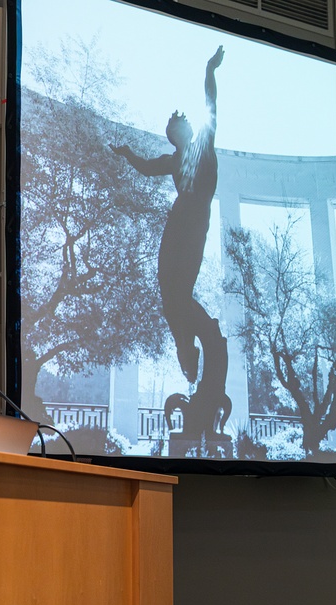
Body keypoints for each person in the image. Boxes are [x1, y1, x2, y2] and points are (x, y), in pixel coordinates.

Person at [110, 46, 224, 383]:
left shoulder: (204, 143)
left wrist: (209, 70)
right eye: (178, 122)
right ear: (174, 135)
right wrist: (127, 152)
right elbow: (146, 168)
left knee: (181, 290)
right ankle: (185, 346)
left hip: (193, 224)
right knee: (168, 289)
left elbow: (211, 102)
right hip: (179, 223)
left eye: (184, 119)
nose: (185, 120)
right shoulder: (174, 159)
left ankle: (188, 348)